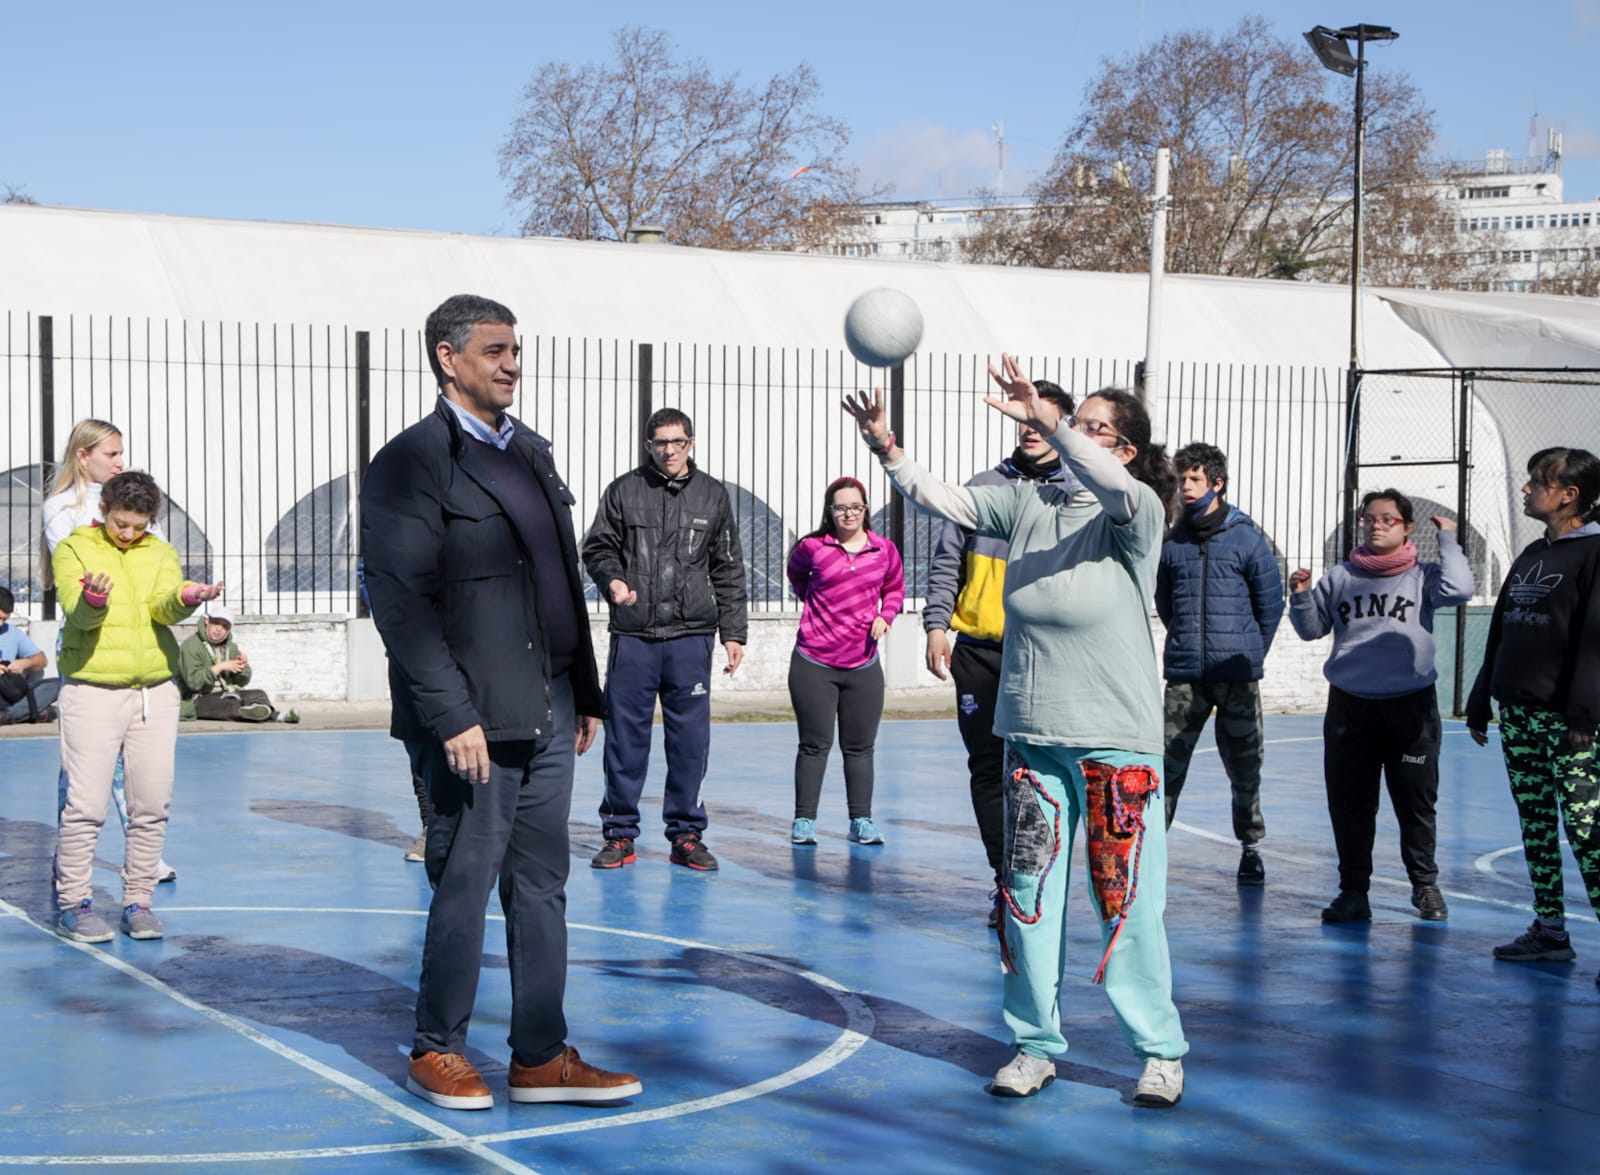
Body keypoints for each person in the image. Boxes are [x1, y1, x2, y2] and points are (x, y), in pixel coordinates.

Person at [844, 357, 1189, 1108]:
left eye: (1097, 429)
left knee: (1125, 900)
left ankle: (1159, 1051)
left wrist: (1059, 424)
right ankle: (1034, 1043)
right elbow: (944, 500)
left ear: (1123, 450)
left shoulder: (1134, 514)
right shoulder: (1025, 504)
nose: (1066, 437)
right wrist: (887, 448)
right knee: (1027, 897)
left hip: (1113, 741)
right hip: (1032, 734)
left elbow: (1103, 478)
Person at [361, 293, 639, 1111]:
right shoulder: (412, 462)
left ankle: (541, 1054)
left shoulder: (532, 453)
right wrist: (450, 715)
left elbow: (556, 577)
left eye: (516, 348)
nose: (512, 363)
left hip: (548, 704)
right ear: (449, 358)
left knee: (542, 883)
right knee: (464, 877)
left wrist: (584, 689)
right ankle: (437, 1046)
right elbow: (400, 604)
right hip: (473, 719)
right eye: (494, 350)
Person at [923, 380, 1079, 925]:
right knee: (989, 770)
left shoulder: (1079, 493)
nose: (1030, 426)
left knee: (1039, 773)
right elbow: (946, 561)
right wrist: (937, 624)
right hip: (980, 654)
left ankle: (1038, 876)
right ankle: (1006, 880)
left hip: (1046, 656)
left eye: (1041, 417)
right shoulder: (983, 487)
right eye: (1023, 417)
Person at [52, 471, 223, 943]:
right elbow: (76, 613)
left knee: (150, 804)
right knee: (85, 806)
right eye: (120, 522)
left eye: (138, 525)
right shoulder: (74, 548)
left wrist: (187, 597)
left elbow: (162, 607)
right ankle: (74, 905)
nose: (127, 533)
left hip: (155, 693)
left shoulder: (161, 552)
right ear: (104, 508)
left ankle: (138, 901)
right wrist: (93, 600)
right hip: (91, 690)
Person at [1288, 489, 1474, 924]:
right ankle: (1354, 892)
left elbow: (1460, 588)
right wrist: (1300, 594)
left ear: (1407, 527)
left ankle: (1425, 886)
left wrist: (1448, 539)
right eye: (1369, 519)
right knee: (1351, 805)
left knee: (1415, 803)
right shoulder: (1340, 577)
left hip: (1410, 710)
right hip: (1350, 709)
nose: (1376, 525)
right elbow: (1312, 629)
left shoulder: (1422, 576)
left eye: (1388, 519)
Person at [581, 407, 749, 872]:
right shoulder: (623, 491)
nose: (669, 450)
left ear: (691, 443)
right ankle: (619, 834)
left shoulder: (713, 496)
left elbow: (728, 567)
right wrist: (612, 581)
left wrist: (734, 633)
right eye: (660, 443)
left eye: (678, 442)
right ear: (648, 446)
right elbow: (597, 547)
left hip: (691, 639)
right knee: (625, 740)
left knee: (689, 742)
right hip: (634, 636)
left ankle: (687, 834)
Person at [1466, 447, 1600, 982]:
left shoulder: (1594, 554)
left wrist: (1583, 720)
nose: (1527, 489)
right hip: (1518, 717)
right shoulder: (1532, 554)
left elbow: (1594, 644)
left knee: (1589, 832)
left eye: (1538, 482)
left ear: (1570, 494)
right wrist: (1482, 698)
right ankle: (1550, 931)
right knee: (1537, 826)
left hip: (1570, 725)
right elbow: (1502, 632)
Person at [41, 419, 176, 883]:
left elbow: (151, 552)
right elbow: (81, 565)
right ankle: (71, 855)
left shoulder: (127, 509)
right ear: (84, 456)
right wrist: (114, 503)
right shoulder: (62, 508)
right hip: (88, 635)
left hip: (134, 639)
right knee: (84, 767)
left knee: (136, 765)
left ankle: (141, 853)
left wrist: (131, 495)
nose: (120, 462)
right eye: (111, 456)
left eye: (121, 455)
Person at [1156, 442, 1284, 885]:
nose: (1186, 488)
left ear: (1217, 484)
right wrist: (1188, 642)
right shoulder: (1173, 541)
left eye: (1194, 479)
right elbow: (1165, 602)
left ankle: (1251, 847)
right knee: (1166, 766)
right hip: (1186, 678)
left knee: (1246, 767)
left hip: (1238, 678)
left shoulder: (1247, 538)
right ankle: (1152, 847)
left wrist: (1248, 652)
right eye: (1181, 480)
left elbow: (1271, 604)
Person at [786, 476, 905, 846]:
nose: (849, 513)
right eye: (841, 507)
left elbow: (895, 587)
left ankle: (861, 821)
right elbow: (797, 578)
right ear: (830, 511)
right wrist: (818, 607)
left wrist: (887, 615)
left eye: (856, 506)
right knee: (814, 744)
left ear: (865, 509)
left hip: (863, 664)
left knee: (860, 747)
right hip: (814, 662)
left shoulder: (884, 550)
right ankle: (804, 821)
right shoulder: (812, 547)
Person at [176, 604, 299, 723]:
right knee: (230, 706)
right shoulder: (190, 647)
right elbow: (194, 683)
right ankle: (279, 716)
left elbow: (241, 682)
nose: (219, 629)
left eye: (225, 626)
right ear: (207, 621)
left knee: (259, 693)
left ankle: (257, 710)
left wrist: (242, 667)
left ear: (229, 630)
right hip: (199, 699)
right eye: (216, 622)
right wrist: (220, 667)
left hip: (226, 693)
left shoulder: (231, 647)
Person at [0, 586, 61, 724]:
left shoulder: (13, 633)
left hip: (13, 692)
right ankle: (31, 713)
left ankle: (9, 715)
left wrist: (24, 663)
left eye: (5, 619)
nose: (1, 623)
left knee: (56, 684)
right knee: (53, 711)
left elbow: (42, 660)